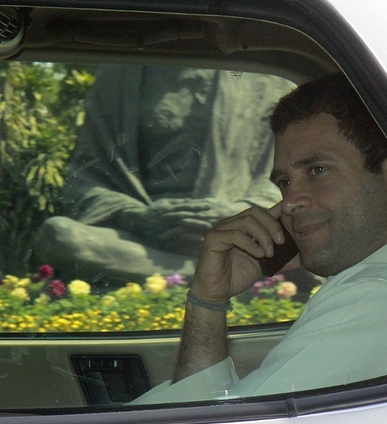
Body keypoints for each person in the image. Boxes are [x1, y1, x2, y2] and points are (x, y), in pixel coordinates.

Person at [131, 73, 387, 404]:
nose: (290, 201)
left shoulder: (384, 295)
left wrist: (206, 303)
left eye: (317, 171)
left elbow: (223, 421)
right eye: (284, 182)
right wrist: (209, 300)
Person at [34, 65, 295, 285]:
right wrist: (141, 220)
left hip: (239, 239)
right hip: (142, 240)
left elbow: (291, 182)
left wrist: (233, 217)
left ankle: (203, 273)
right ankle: (213, 276)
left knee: (305, 244)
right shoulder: (120, 72)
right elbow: (85, 184)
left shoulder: (270, 73)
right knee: (59, 235)